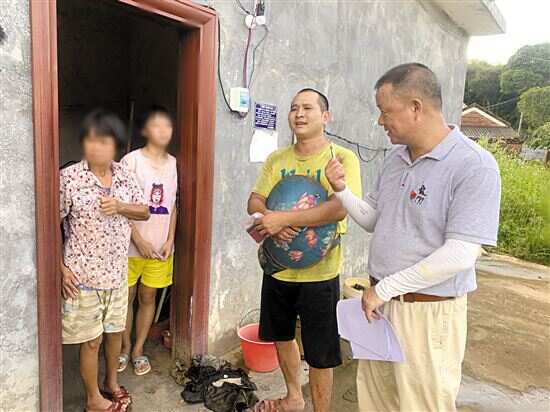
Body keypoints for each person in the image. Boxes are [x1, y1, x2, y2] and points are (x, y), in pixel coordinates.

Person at [325, 63, 502, 412]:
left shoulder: (474, 165)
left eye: (385, 111)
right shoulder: (395, 159)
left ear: (416, 107)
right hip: (380, 305)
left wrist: (386, 289)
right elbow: (374, 219)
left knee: (421, 404)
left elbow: (461, 253)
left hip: (427, 312)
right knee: (376, 400)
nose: (380, 121)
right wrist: (342, 191)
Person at [248, 89, 362, 412]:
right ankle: (293, 397)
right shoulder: (277, 159)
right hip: (279, 267)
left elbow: (339, 209)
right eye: (294, 108)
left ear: (325, 117)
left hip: (320, 274)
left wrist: (284, 218)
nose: (299, 114)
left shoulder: (342, 159)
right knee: (281, 335)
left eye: (308, 108)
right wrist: (269, 218)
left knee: (320, 351)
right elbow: (254, 200)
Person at [60, 109, 150, 412]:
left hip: (117, 273)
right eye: (92, 140)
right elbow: (50, 225)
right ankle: (93, 400)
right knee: (91, 341)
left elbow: (144, 211)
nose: (97, 147)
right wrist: (60, 268)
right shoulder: (69, 178)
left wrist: (120, 206)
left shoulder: (124, 174)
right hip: (83, 276)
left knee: (114, 334)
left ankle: (111, 383)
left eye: (105, 141)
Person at [118, 106, 178, 376]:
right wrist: (138, 240)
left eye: (167, 125)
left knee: (148, 296)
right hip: (130, 246)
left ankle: (138, 350)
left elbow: (174, 206)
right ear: (145, 130)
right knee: (126, 296)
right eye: (156, 125)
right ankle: (123, 347)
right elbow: (121, 206)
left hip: (160, 249)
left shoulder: (175, 164)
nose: (163, 130)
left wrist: (170, 239)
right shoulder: (131, 161)